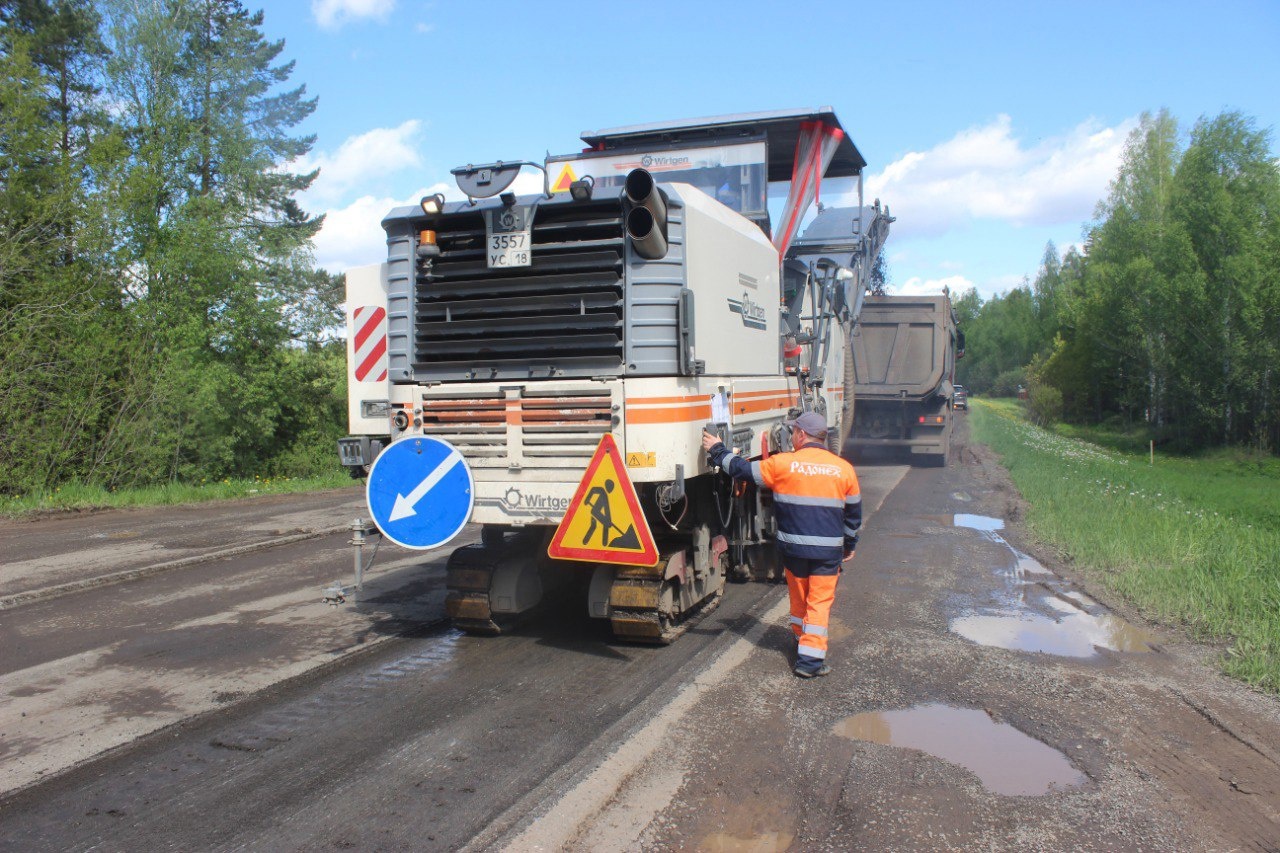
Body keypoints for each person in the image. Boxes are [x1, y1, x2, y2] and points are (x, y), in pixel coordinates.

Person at [701, 412, 861, 678]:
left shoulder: (783, 464)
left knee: (799, 598)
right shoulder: (844, 469)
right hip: (827, 553)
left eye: (793, 433)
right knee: (818, 603)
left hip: (794, 550)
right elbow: (853, 515)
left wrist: (717, 449)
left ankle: (801, 643)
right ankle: (810, 662)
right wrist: (849, 544)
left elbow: (741, 470)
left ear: (800, 434)